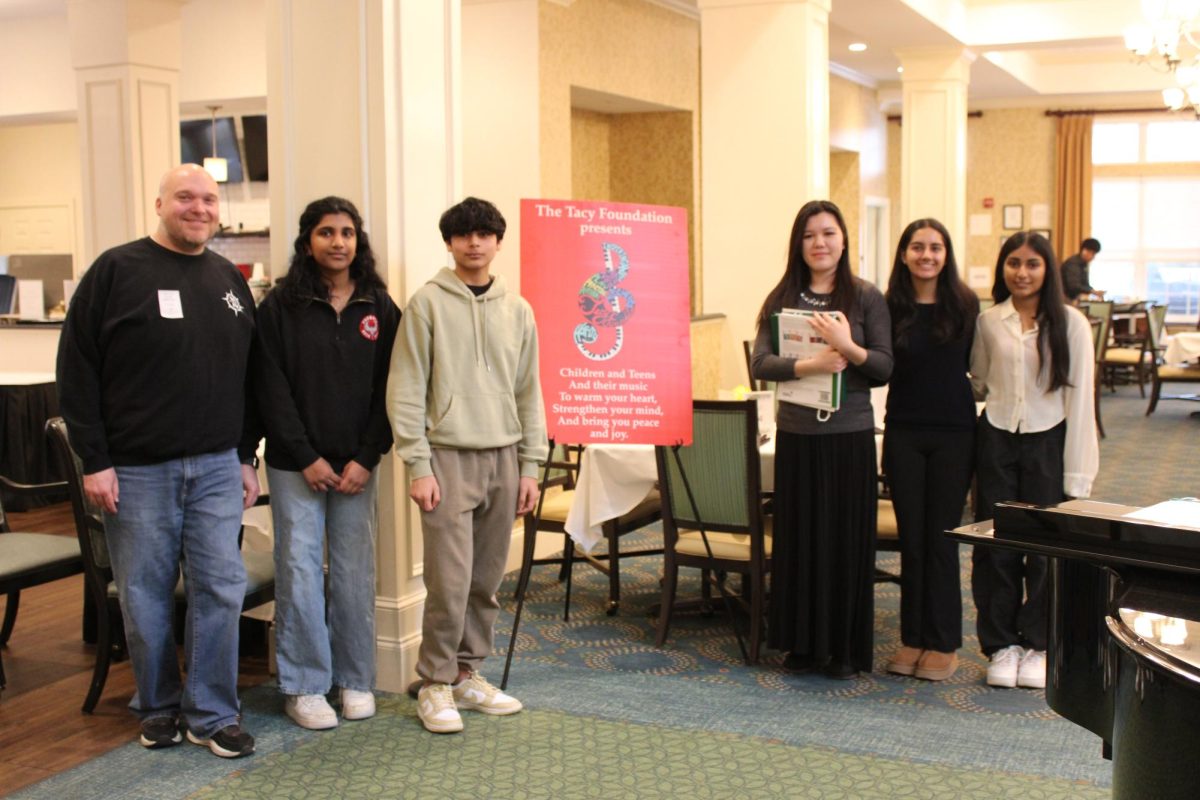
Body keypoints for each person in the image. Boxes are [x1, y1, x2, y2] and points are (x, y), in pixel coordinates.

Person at [56, 164, 260, 758]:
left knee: (220, 587)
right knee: (144, 593)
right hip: (136, 471)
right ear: (159, 203)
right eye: (185, 198)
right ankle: (158, 706)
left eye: (208, 199)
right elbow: (77, 373)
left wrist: (246, 455)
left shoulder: (228, 278)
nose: (198, 208)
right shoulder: (116, 271)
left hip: (219, 467)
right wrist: (94, 460)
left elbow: (248, 377)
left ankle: (212, 713)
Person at [387, 196, 548, 733]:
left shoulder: (517, 309)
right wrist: (418, 464)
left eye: (484, 234)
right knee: (449, 581)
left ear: (498, 242)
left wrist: (532, 466)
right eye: (463, 234)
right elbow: (406, 388)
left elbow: (529, 392)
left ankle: (467, 674)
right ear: (450, 242)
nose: (474, 242)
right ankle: (433, 683)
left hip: (505, 455)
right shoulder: (426, 304)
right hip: (448, 457)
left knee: (485, 580)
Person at [254, 197, 400, 730]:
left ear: (357, 241)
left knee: (356, 572)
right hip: (297, 466)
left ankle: (355, 678)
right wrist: (306, 457)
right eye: (325, 233)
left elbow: (394, 390)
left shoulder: (379, 306)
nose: (338, 242)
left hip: (359, 466)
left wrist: (366, 457)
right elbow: (270, 390)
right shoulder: (279, 308)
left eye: (347, 233)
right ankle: (305, 685)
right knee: (298, 570)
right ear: (307, 241)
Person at [751, 199, 893, 680]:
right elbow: (760, 364)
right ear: (799, 243)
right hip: (797, 434)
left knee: (844, 542)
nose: (820, 243)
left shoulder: (865, 298)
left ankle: (844, 649)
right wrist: (810, 365)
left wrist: (847, 346)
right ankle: (803, 646)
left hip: (849, 434)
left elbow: (882, 367)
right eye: (810, 235)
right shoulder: (781, 298)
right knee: (800, 540)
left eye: (828, 233)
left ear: (844, 240)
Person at [970, 231, 1099, 689]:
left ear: (1047, 269)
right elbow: (979, 384)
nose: (1021, 273)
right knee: (996, 547)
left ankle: (1039, 644)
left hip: (1049, 441)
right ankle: (1001, 643)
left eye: (1031, 264)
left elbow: (1082, 404)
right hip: (998, 440)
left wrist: (1078, 476)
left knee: (1045, 554)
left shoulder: (1072, 324)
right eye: (1013, 263)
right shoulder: (989, 322)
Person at [882, 219, 979, 682]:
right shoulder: (888, 307)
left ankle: (943, 642)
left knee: (940, 539)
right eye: (917, 247)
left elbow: (979, 368)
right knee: (911, 541)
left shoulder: (965, 304)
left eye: (936, 247)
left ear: (947, 254)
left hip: (954, 435)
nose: (927, 255)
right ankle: (912, 638)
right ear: (903, 254)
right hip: (902, 432)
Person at [1060, 238, 1102, 303]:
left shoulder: (1083, 264)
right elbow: (1074, 286)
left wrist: (1093, 291)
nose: (1093, 257)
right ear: (1085, 250)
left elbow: (1084, 283)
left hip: (1072, 298)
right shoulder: (1073, 263)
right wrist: (1092, 291)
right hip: (1065, 299)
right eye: (1093, 254)